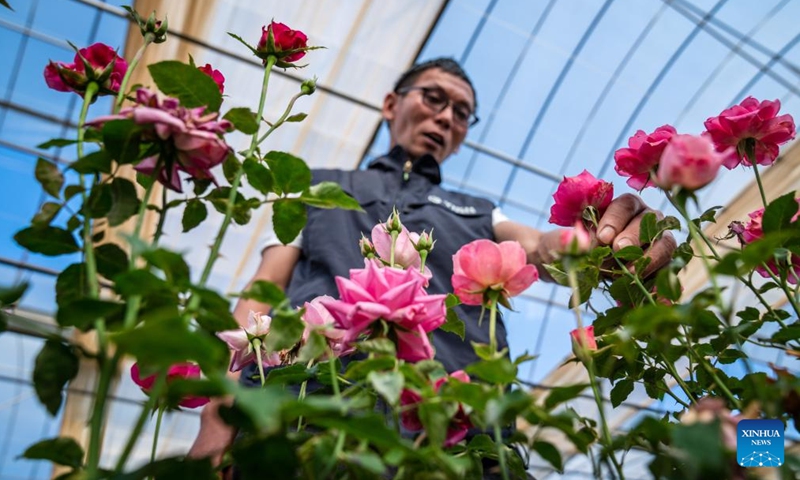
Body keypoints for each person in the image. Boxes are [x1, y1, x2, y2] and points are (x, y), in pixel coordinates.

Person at [188, 57, 676, 468]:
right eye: (434, 98)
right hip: (305, 406)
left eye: (462, 113)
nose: (446, 117)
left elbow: (536, 246)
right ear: (390, 104)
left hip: (454, 424)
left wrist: (595, 243)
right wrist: (219, 415)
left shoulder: (481, 211)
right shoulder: (316, 187)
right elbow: (261, 292)